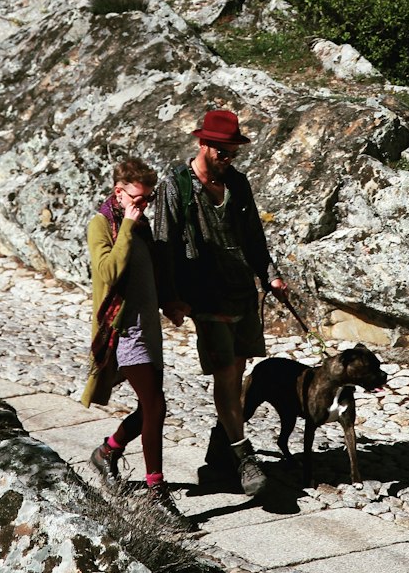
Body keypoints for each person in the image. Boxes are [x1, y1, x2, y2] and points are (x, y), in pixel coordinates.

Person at [152, 108, 286, 499]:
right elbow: (164, 247)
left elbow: (254, 237)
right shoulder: (175, 186)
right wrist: (171, 299)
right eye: (223, 152)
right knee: (226, 373)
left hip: (241, 291)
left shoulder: (238, 184)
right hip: (205, 297)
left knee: (237, 373)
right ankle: (244, 459)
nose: (228, 159)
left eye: (233, 152)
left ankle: (221, 446)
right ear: (204, 144)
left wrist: (270, 274)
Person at [81, 157, 192, 529]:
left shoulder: (140, 226)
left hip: (149, 329)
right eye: (137, 198)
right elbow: (108, 271)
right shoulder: (103, 225)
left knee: (150, 408)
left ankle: (107, 451)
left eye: (148, 199)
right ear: (119, 192)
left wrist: (171, 303)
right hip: (123, 330)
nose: (143, 205)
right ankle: (156, 493)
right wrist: (128, 222)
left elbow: (151, 274)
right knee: (156, 405)